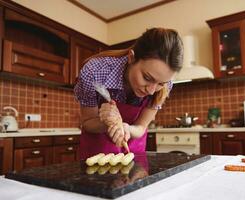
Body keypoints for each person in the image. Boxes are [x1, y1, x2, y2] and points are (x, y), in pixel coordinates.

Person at [74, 27, 183, 159]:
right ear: (131, 57)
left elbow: (141, 127)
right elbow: (87, 123)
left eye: (160, 83)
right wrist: (109, 122)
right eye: (147, 78)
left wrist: (127, 128)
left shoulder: (167, 83)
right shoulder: (94, 71)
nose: (151, 90)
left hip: (133, 154)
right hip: (97, 155)